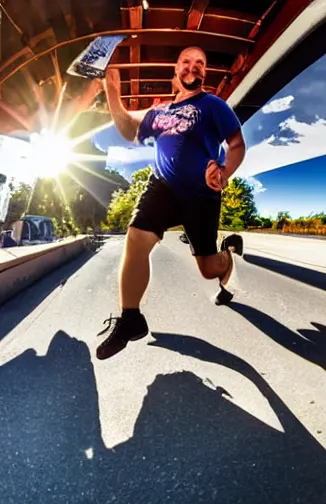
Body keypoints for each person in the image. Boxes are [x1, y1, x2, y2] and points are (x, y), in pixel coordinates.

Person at [95, 46, 246, 360]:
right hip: (162, 185)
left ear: (205, 73)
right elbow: (127, 131)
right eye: (186, 62)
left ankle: (228, 255)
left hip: (203, 193)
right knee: (136, 237)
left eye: (200, 63)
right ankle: (131, 318)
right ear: (175, 72)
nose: (193, 67)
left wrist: (225, 172)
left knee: (207, 269)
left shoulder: (213, 105)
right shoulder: (158, 112)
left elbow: (236, 144)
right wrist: (112, 93)